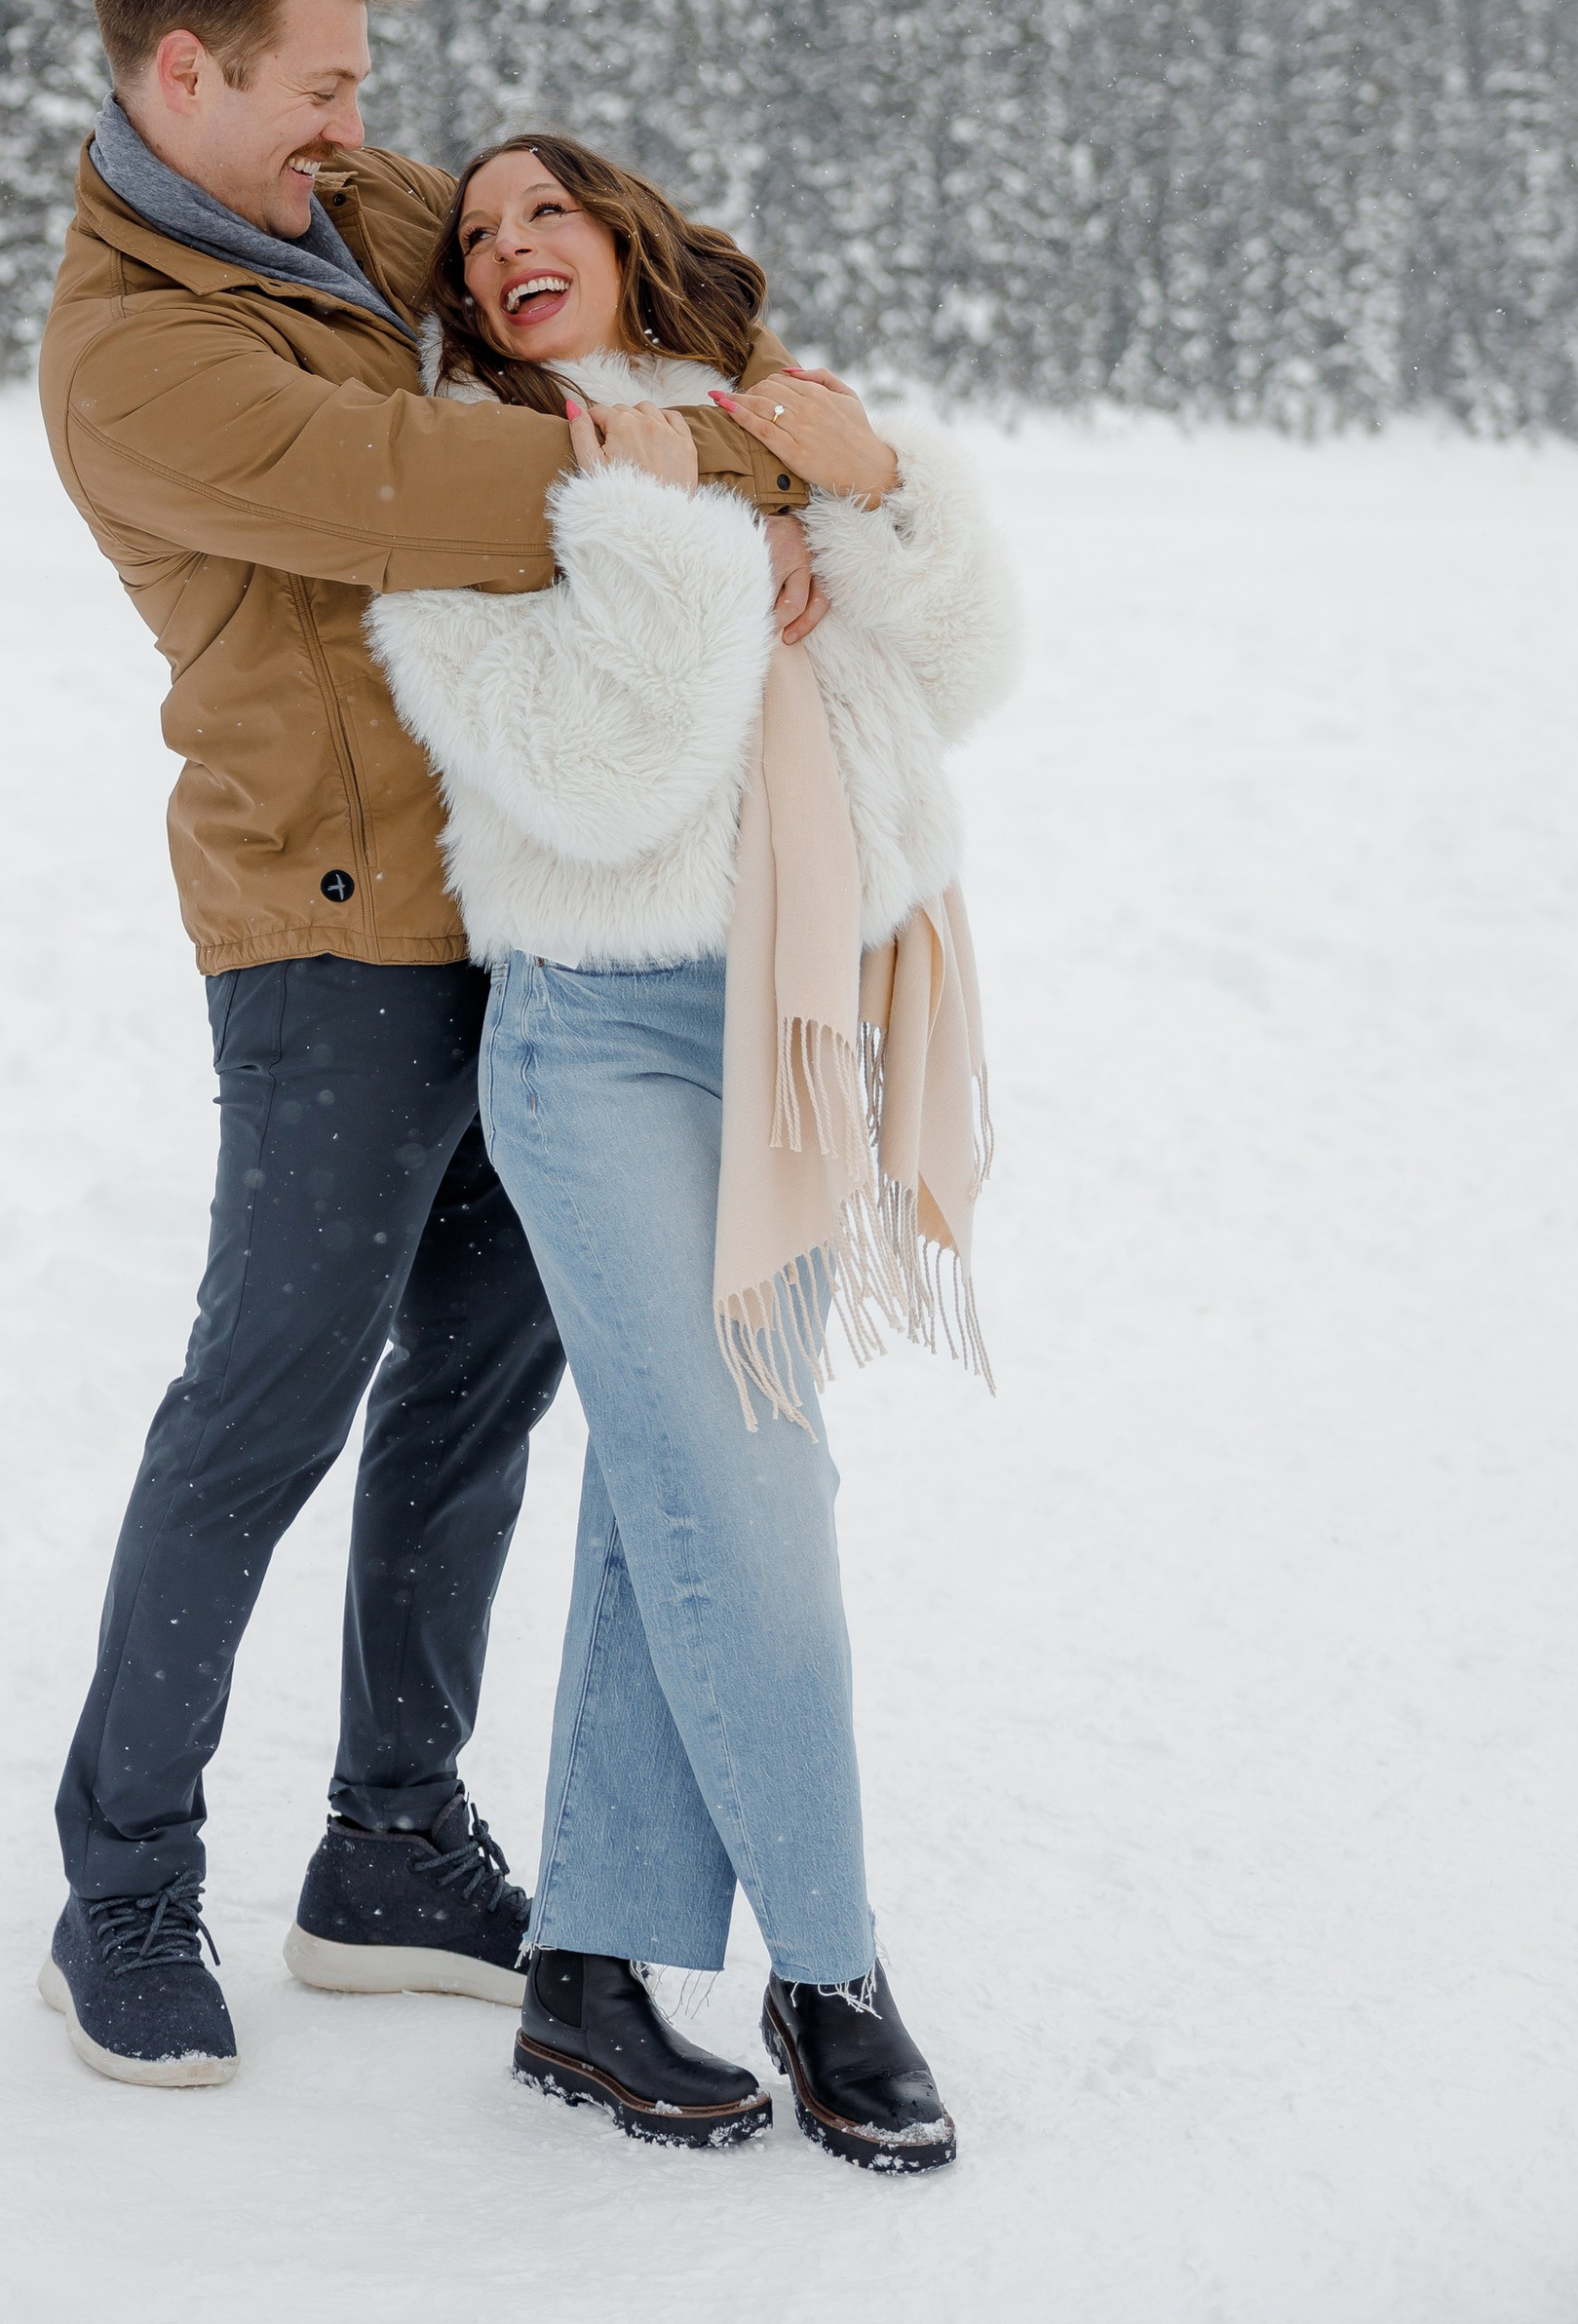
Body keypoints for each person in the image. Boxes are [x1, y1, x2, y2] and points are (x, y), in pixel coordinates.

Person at [33, 0, 822, 2088]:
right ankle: (119, 1882)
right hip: (325, 917)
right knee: (269, 1388)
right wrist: (756, 472)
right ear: (183, 74)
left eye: (358, 92)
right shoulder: (138, 354)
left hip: (514, 888)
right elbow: (463, 478)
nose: (356, 134)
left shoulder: (330, 203)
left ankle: (389, 1837)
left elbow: (561, 310)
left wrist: (769, 393)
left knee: (480, 1379)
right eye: (317, 88)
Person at [366, 134, 1020, 2172]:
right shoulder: (472, 485)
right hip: (605, 1040)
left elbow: (957, 679)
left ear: (623, 234)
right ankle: (830, 1971)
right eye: (472, 241)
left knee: (676, 1500)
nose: (503, 250)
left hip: (798, 1023)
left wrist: (879, 491)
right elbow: (608, 762)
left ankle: (585, 1972)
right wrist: (717, 555)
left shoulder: (766, 429)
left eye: (538, 211)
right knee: (748, 1493)